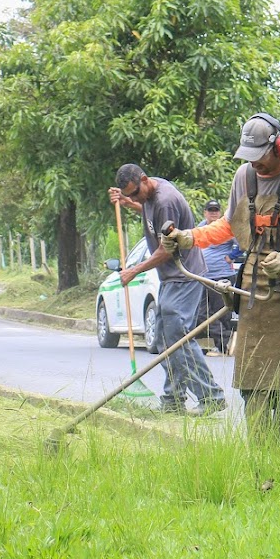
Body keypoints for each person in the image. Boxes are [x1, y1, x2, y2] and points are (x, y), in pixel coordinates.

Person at [162, 113, 280, 440]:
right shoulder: (244, 178)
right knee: (252, 385)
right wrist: (190, 237)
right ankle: (258, 462)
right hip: (254, 294)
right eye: (249, 158)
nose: (255, 165)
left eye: (260, 157)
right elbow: (229, 225)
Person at [109, 165, 227, 415]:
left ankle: (211, 396)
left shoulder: (165, 200)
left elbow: (167, 249)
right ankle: (173, 399)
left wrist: (134, 270)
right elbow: (153, 218)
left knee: (179, 338)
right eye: (129, 195)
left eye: (135, 193)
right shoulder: (151, 193)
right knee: (164, 339)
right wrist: (129, 204)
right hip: (171, 278)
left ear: (143, 179)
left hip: (184, 275)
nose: (135, 198)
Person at [195, 199, 241, 356]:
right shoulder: (201, 227)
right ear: (205, 212)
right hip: (203, 276)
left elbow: (242, 242)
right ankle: (226, 339)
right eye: (210, 210)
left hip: (222, 274)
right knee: (201, 313)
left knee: (222, 311)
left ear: (220, 212)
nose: (213, 213)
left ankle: (223, 346)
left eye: (216, 210)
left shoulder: (226, 227)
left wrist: (232, 256)